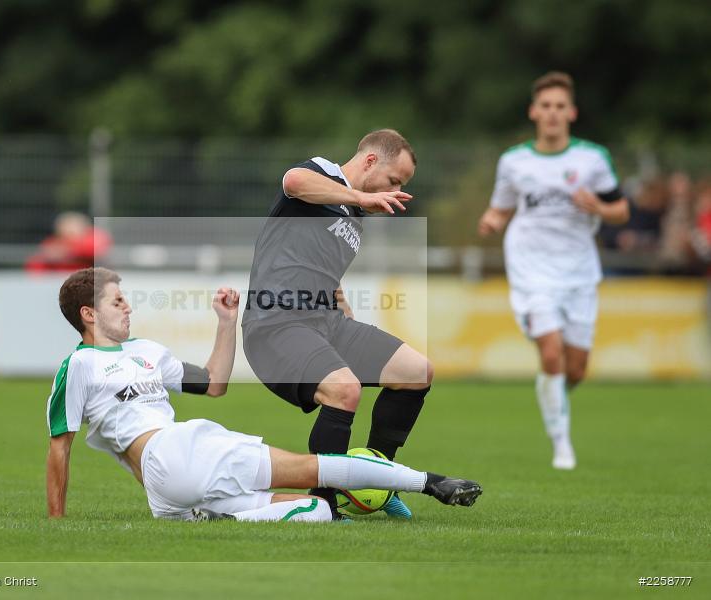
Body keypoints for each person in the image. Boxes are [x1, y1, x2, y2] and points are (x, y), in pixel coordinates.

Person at [45, 267, 482, 522]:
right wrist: (56, 522)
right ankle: (430, 483)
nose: (128, 307)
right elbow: (59, 447)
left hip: (171, 488)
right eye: (118, 301)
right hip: (174, 453)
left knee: (318, 512)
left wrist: (225, 322)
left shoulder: (148, 352)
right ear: (89, 314)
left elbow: (214, 384)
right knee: (317, 469)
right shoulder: (79, 365)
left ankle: (220, 518)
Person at [241, 129, 434, 519]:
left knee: (416, 371)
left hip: (324, 321)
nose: (396, 190)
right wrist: (361, 196)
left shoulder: (354, 213)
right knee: (344, 391)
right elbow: (294, 182)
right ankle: (323, 503)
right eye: (394, 180)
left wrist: (344, 311)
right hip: (276, 322)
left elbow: (321, 268)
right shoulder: (322, 173)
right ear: (369, 161)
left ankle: (375, 481)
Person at [477, 72, 630, 470]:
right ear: (533, 111)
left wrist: (598, 206)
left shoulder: (592, 159)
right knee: (550, 352)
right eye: (545, 106)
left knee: (575, 368)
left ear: (572, 112)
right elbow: (501, 207)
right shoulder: (513, 162)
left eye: (560, 106)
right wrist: (492, 221)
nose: (552, 113)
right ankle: (562, 445)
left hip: (578, 270)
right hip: (531, 268)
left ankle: (553, 392)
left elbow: (622, 210)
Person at [26, 212, 112, 272]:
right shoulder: (53, 243)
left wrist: (68, 252)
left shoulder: (94, 237)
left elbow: (95, 250)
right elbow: (35, 265)